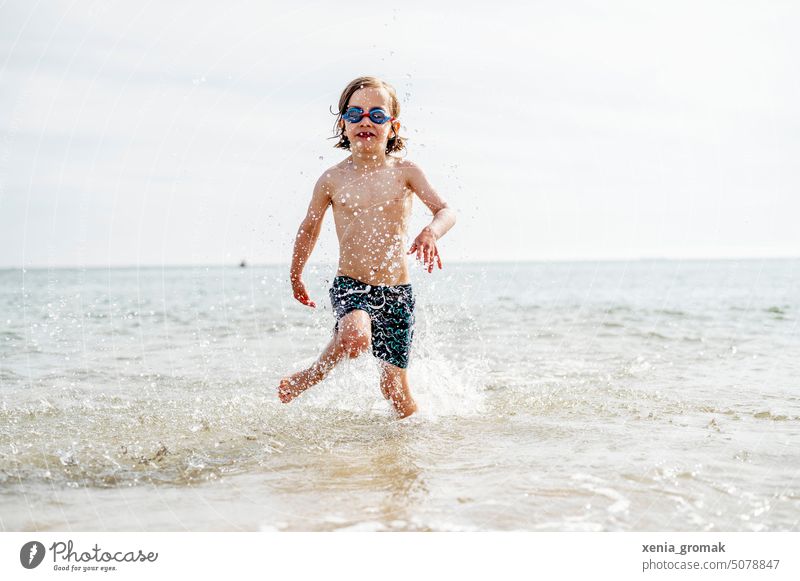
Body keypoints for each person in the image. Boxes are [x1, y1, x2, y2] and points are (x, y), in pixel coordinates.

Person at [277, 76, 456, 418]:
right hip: (352, 284)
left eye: (377, 115)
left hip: (397, 291)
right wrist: (296, 274)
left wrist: (432, 232)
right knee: (355, 334)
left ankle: (406, 450)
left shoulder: (405, 171)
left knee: (394, 391)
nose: (365, 121)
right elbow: (309, 226)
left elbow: (446, 210)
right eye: (356, 113)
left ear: (392, 126)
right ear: (343, 123)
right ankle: (313, 374)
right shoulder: (332, 179)